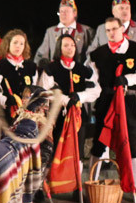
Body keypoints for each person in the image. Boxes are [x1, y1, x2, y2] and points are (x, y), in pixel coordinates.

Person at [87, 17, 136, 200]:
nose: (111, 33)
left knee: (132, 144)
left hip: (128, 102)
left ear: (122, 29)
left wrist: (128, 79)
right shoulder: (98, 54)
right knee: (99, 143)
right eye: (108, 30)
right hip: (105, 102)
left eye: (114, 29)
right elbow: (93, 80)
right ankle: (92, 183)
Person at [37, 33, 99, 174]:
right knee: (51, 149)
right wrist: (65, 100)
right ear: (59, 47)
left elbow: (96, 90)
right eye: (66, 45)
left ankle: (76, 188)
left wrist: (79, 96)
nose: (70, 48)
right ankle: (45, 186)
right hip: (56, 116)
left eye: (72, 45)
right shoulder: (51, 68)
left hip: (78, 116)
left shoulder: (83, 69)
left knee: (78, 150)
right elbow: (44, 90)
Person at [0, 29, 37, 122]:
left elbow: (36, 88)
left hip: (28, 113)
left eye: (21, 44)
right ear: (8, 44)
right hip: (6, 114)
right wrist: (5, 101)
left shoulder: (31, 66)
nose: (18, 46)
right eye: (15, 43)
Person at [35, 0, 92, 64]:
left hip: (79, 73)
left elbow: (92, 53)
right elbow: (41, 55)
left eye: (66, 11)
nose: (63, 14)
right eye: (61, 11)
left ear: (74, 13)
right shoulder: (51, 32)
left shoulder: (86, 31)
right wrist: (44, 67)